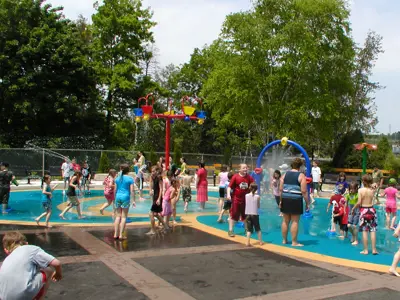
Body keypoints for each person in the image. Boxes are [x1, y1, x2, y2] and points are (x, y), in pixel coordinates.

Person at [0, 231, 62, 300]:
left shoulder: (6, 260)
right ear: (26, 243)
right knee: (48, 270)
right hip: (22, 294)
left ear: (6, 250)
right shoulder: (31, 249)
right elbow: (56, 263)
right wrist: (58, 273)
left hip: (3, 297)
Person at [279, 158, 309, 246]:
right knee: (295, 221)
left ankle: (284, 240)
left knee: (285, 221)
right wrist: (307, 203)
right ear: (300, 166)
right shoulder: (301, 176)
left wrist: (281, 201)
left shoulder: (284, 175)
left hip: (285, 198)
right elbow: (304, 191)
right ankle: (294, 242)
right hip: (295, 200)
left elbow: (281, 189)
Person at [351, 174, 378, 255]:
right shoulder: (372, 190)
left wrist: (353, 208)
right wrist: (372, 184)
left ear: (363, 181)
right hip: (372, 210)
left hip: (364, 211)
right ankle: (374, 250)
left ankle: (365, 250)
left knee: (365, 231)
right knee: (373, 231)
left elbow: (359, 202)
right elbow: (375, 185)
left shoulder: (360, 190)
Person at [227, 164, 254, 237]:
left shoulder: (249, 177)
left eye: (246, 167)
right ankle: (230, 230)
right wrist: (228, 195)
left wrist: (254, 193)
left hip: (245, 200)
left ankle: (246, 229)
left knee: (245, 215)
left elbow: (253, 187)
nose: (245, 169)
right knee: (234, 215)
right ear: (239, 169)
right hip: (236, 199)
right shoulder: (235, 177)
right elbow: (229, 187)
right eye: (244, 168)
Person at [114, 164, 135, 239]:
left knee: (117, 216)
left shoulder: (117, 178)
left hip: (117, 197)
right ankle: (121, 235)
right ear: (128, 171)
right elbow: (132, 190)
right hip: (125, 197)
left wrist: (114, 198)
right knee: (123, 217)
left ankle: (115, 234)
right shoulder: (130, 179)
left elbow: (115, 190)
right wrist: (133, 200)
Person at [147, 166, 168, 235]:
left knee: (151, 214)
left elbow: (161, 189)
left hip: (157, 197)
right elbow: (150, 184)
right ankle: (165, 226)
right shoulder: (152, 177)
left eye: (153, 171)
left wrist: (159, 199)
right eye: (151, 171)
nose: (152, 173)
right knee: (156, 214)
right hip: (154, 196)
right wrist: (150, 190)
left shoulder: (159, 178)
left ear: (156, 171)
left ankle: (153, 230)